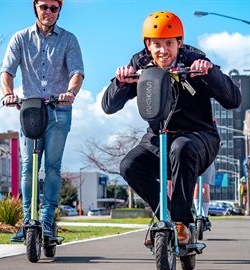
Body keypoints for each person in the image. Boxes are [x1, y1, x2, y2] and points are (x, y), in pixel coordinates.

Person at [101, 11, 241, 245]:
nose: (163, 50)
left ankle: (181, 222)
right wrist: (121, 83)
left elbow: (233, 100)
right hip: (158, 139)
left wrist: (210, 73)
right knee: (129, 166)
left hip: (199, 138)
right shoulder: (140, 64)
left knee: (181, 148)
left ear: (179, 43)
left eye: (169, 44)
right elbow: (108, 106)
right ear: (148, 45)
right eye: (156, 44)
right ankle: (164, 217)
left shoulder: (195, 60)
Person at [1, 0, 84, 242]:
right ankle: (28, 220)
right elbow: (7, 70)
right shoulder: (21, 38)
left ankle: (47, 220)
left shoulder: (69, 39)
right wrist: (8, 93)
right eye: (43, 7)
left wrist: (71, 93)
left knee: (52, 167)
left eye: (53, 8)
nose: (48, 12)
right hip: (31, 110)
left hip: (59, 110)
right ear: (35, 7)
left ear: (60, 10)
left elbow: (77, 72)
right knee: (28, 167)